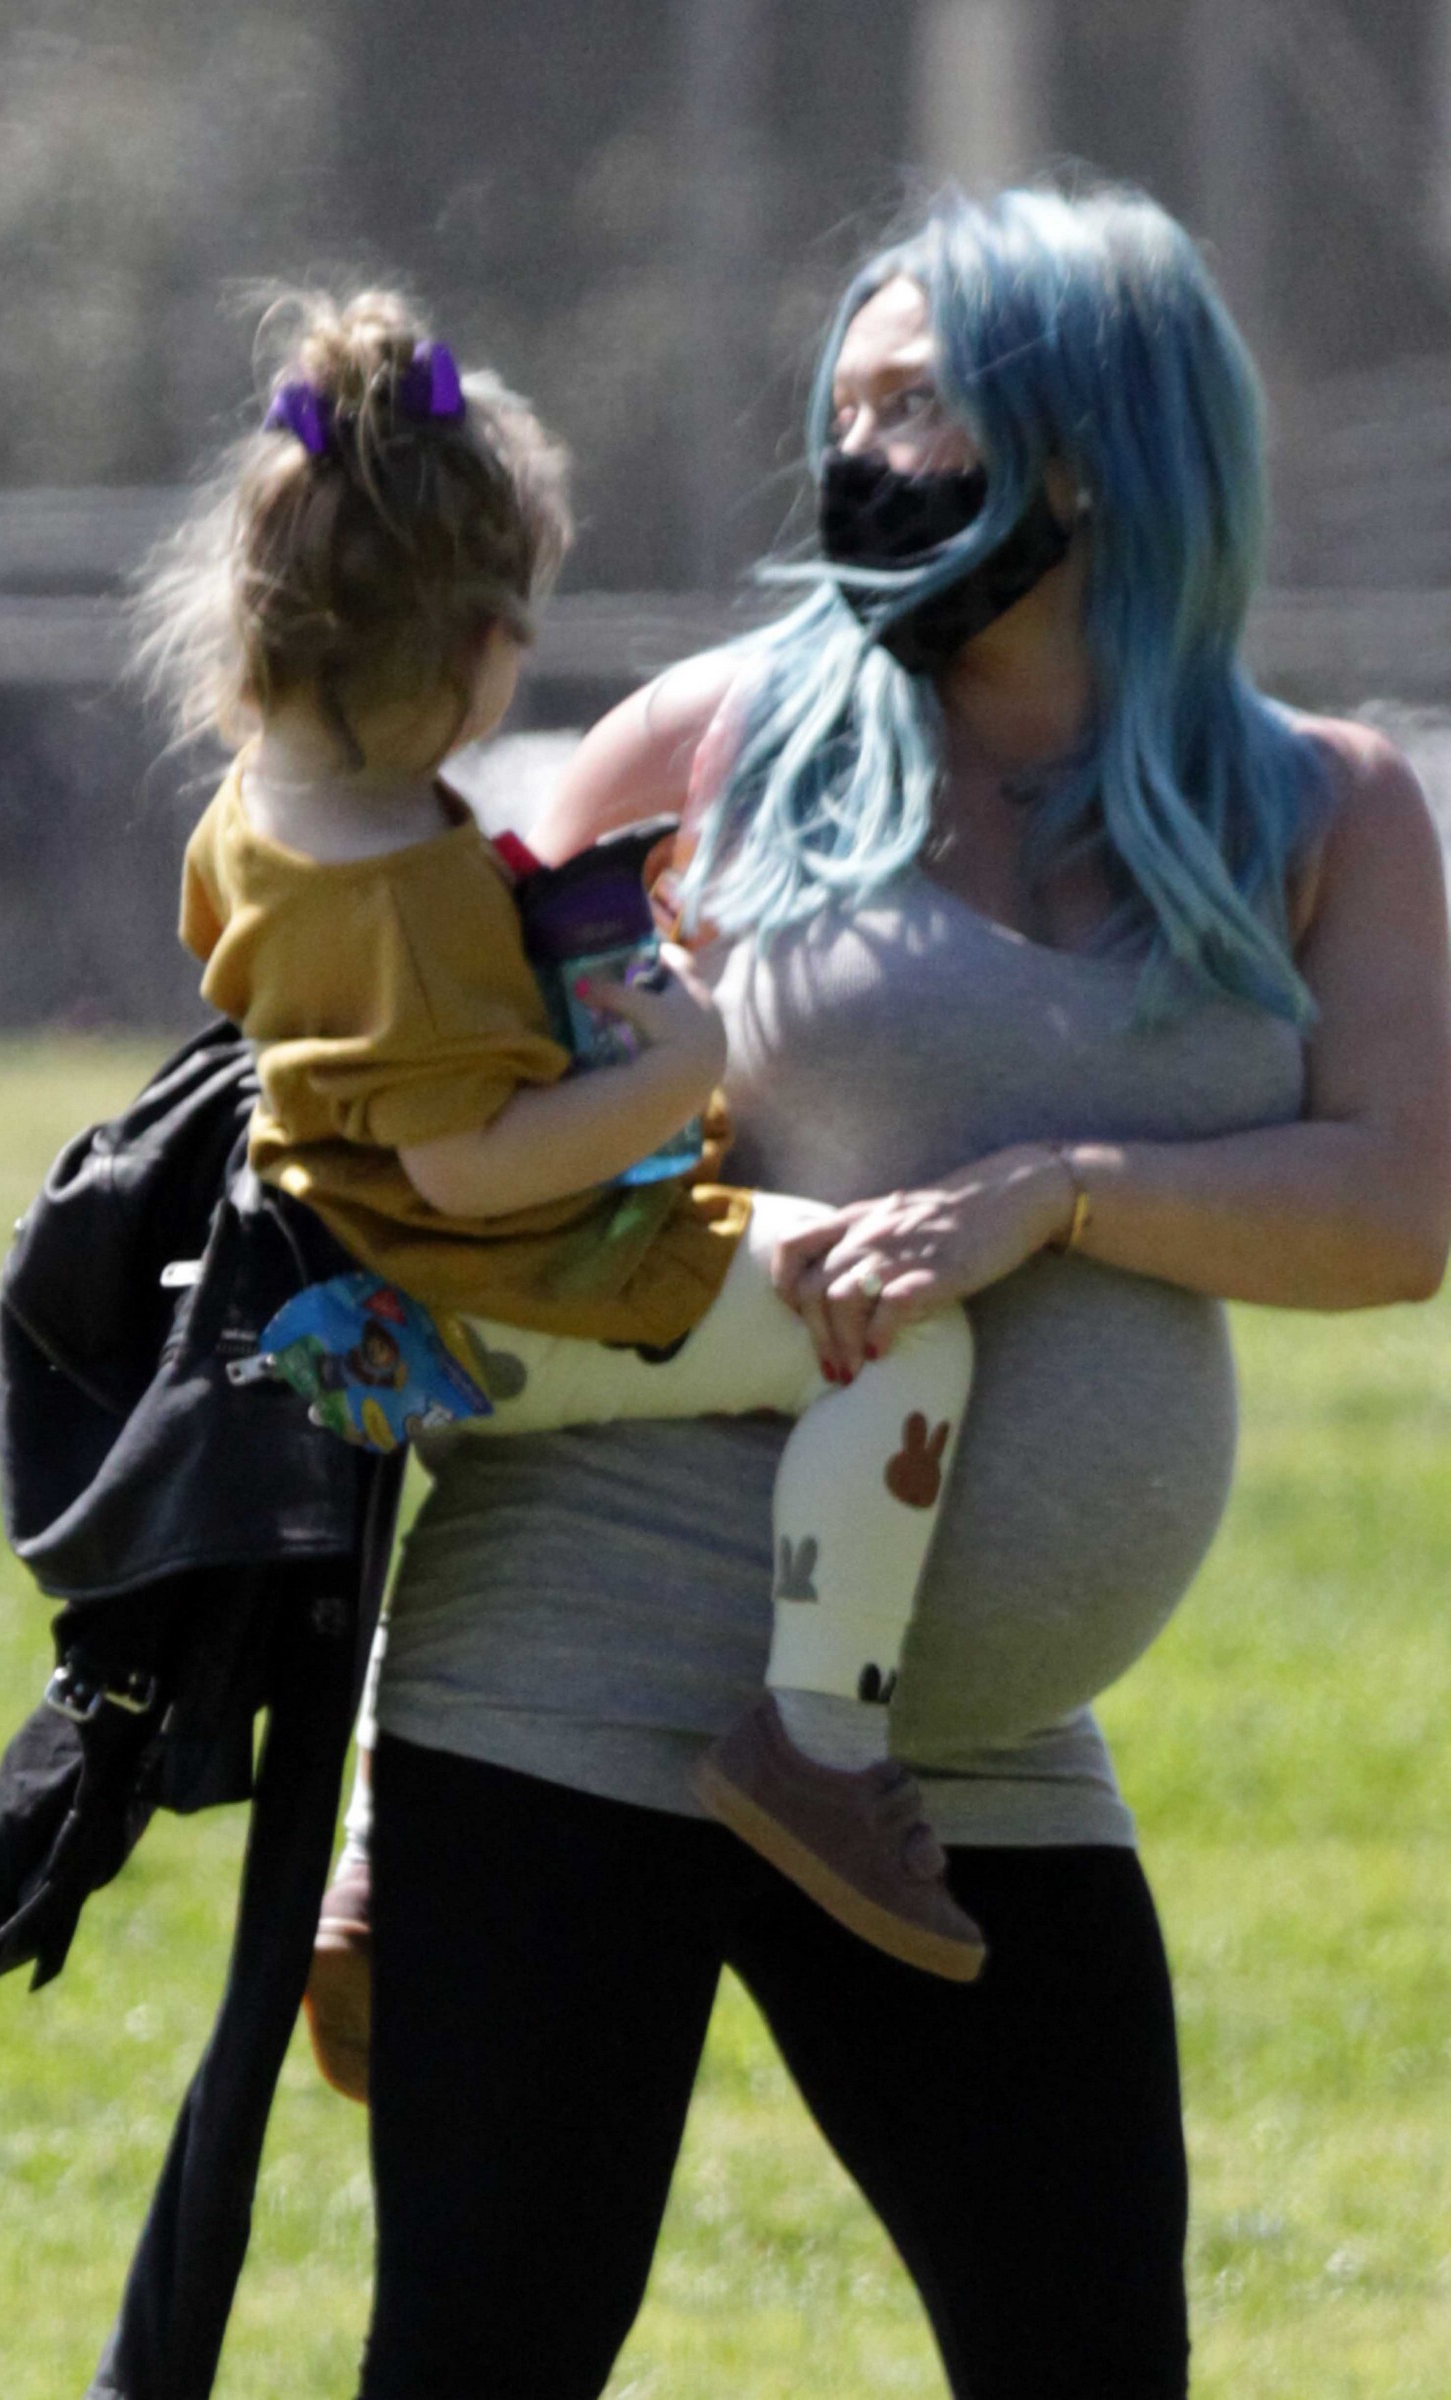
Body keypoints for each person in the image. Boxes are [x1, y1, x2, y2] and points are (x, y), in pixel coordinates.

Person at [315, 185, 1451, 2400]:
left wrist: (1062, 1191)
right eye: (844, 409)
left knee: (1087, 2359)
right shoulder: (718, 743)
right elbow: (435, 1133)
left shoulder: (1324, 809)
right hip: (576, 1678)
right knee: (483, 2359)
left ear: (1096, 437)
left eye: (916, 408)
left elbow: (1395, 1210)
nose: (860, 458)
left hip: (961, 1757)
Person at [142, 283, 994, 1989]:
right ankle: (820, 1747)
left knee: (475, 1526)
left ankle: (377, 1853)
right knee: (905, 1330)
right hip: (480, 1294)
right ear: (467, 646)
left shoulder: (261, 812)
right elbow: (470, 1164)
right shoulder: (407, 890)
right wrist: (679, 1068)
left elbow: (352, 1046)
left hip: (348, 1263)